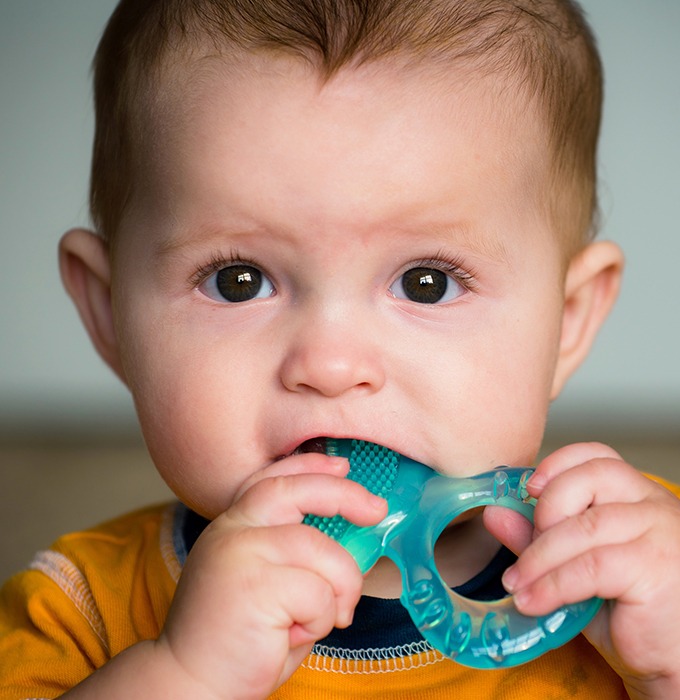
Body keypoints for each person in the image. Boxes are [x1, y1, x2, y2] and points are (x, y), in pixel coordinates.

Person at [1, 0, 679, 697]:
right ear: (109, 315)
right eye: (239, 282)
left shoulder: (639, 565)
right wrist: (183, 674)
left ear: (566, 321)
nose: (330, 366)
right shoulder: (80, 612)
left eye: (426, 282)